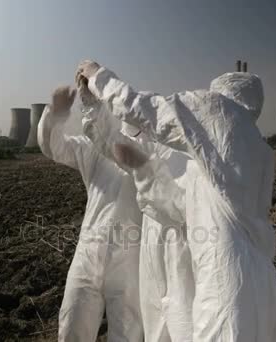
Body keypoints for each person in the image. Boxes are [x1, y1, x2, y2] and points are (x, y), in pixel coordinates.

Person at [76, 61, 276, 341]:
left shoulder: (219, 114)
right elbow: (178, 204)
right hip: (260, 281)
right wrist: (93, 110)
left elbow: (145, 108)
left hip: (224, 274)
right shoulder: (243, 153)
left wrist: (98, 77)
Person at [78, 85, 194, 342]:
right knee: (153, 327)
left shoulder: (185, 152)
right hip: (151, 254)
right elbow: (110, 142)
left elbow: (177, 204)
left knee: (179, 325)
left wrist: (143, 172)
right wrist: (91, 107)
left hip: (177, 256)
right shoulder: (151, 146)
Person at [37, 86, 143, 342]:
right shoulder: (94, 148)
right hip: (89, 250)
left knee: (126, 333)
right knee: (73, 325)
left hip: (132, 259)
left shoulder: (151, 152)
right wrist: (55, 115)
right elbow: (55, 148)